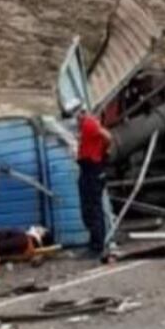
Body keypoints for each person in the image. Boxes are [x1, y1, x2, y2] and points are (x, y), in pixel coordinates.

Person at [68, 99, 113, 256]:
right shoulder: (84, 125)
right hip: (87, 168)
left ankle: (97, 246)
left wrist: (103, 153)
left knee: (93, 208)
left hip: (93, 169)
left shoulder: (89, 123)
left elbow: (107, 136)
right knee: (88, 208)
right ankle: (94, 242)